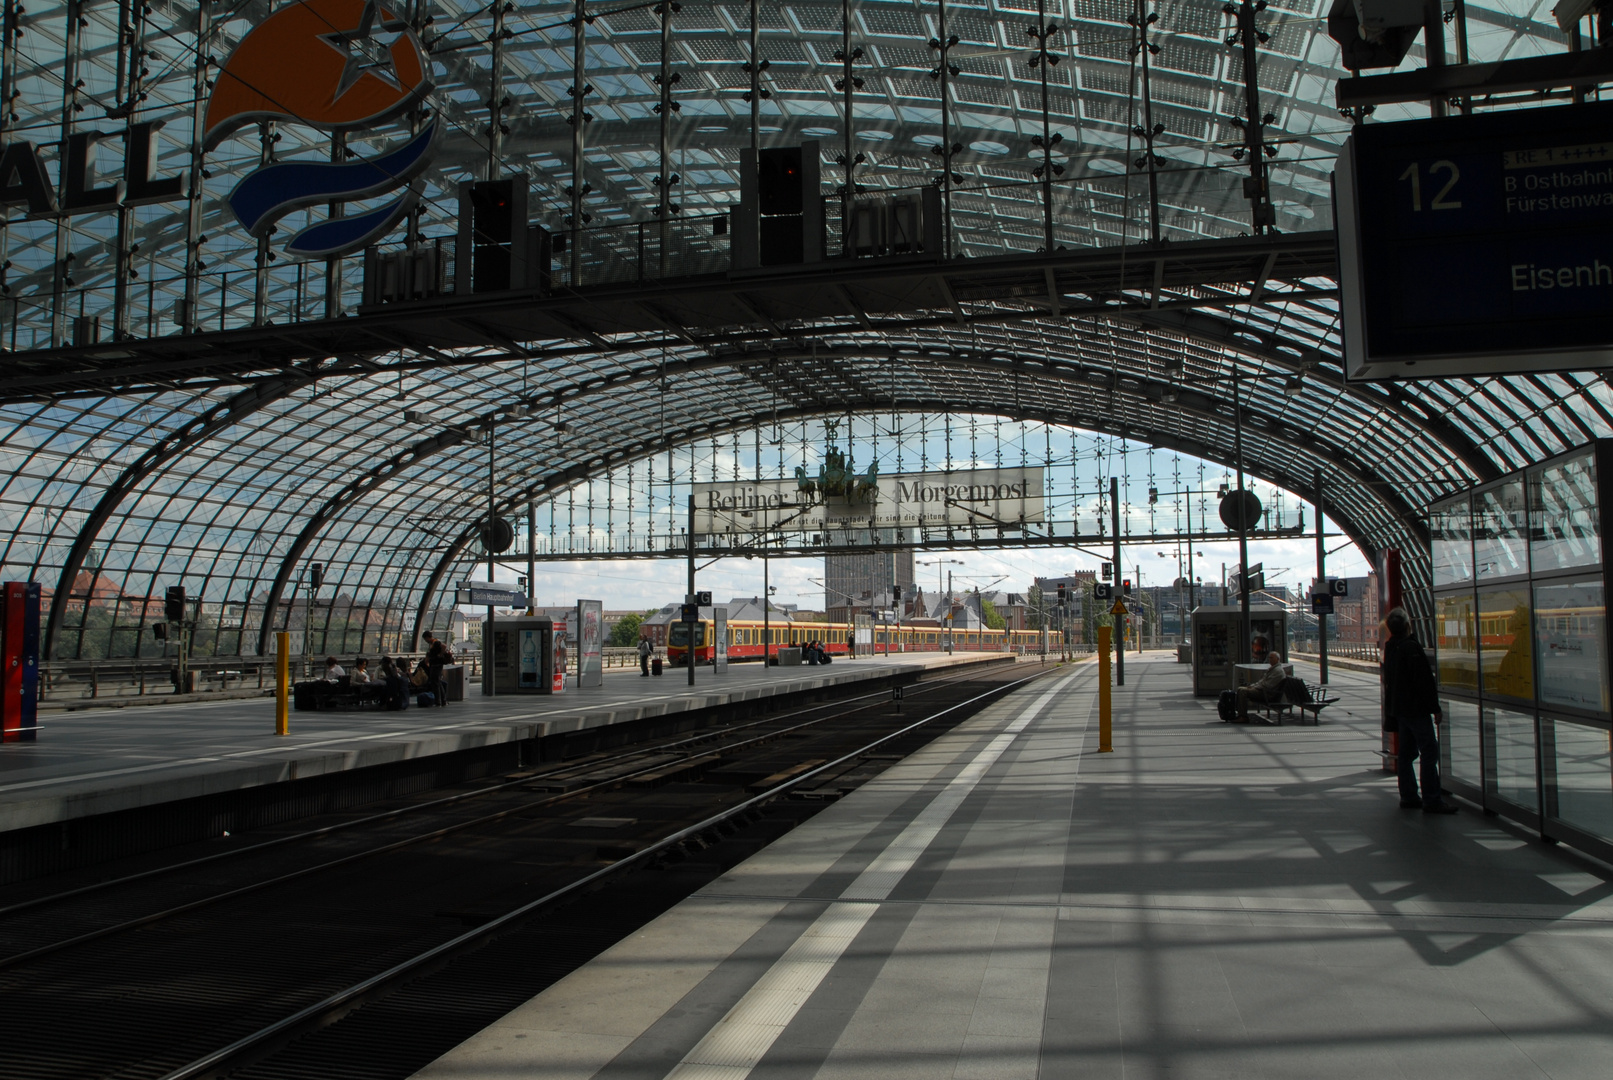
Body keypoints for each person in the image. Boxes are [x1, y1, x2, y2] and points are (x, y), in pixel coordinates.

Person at [1383, 607, 1456, 814]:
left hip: (1400, 710)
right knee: (1429, 751)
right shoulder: (1411, 647)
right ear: (1407, 625)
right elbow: (1423, 682)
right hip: (1416, 709)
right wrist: (1435, 708)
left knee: (1406, 754)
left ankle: (1408, 796)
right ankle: (1432, 799)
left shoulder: (1391, 648)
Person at [1236, 651, 1287, 722]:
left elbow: (1267, 685)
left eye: (1272, 658)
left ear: (1277, 659)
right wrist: (1252, 686)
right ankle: (1240, 714)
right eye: (1269, 658)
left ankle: (1243, 716)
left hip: (1267, 694)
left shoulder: (1278, 671)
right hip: (1264, 691)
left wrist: (1254, 687)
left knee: (1242, 691)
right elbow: (1262, 682)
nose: (1270, 660)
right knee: (1240, 689)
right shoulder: (1273, 669)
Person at [422, 631, 453, 707]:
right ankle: (442, 700)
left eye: (425, 639)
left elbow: (444, 646)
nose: (425, 641)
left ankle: (439, 701)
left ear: (427, 637)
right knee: (437, 682)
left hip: (437, 664)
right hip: (435, 664)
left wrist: (440, 655)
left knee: (435, 682)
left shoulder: (435, 642)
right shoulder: (433, 643)